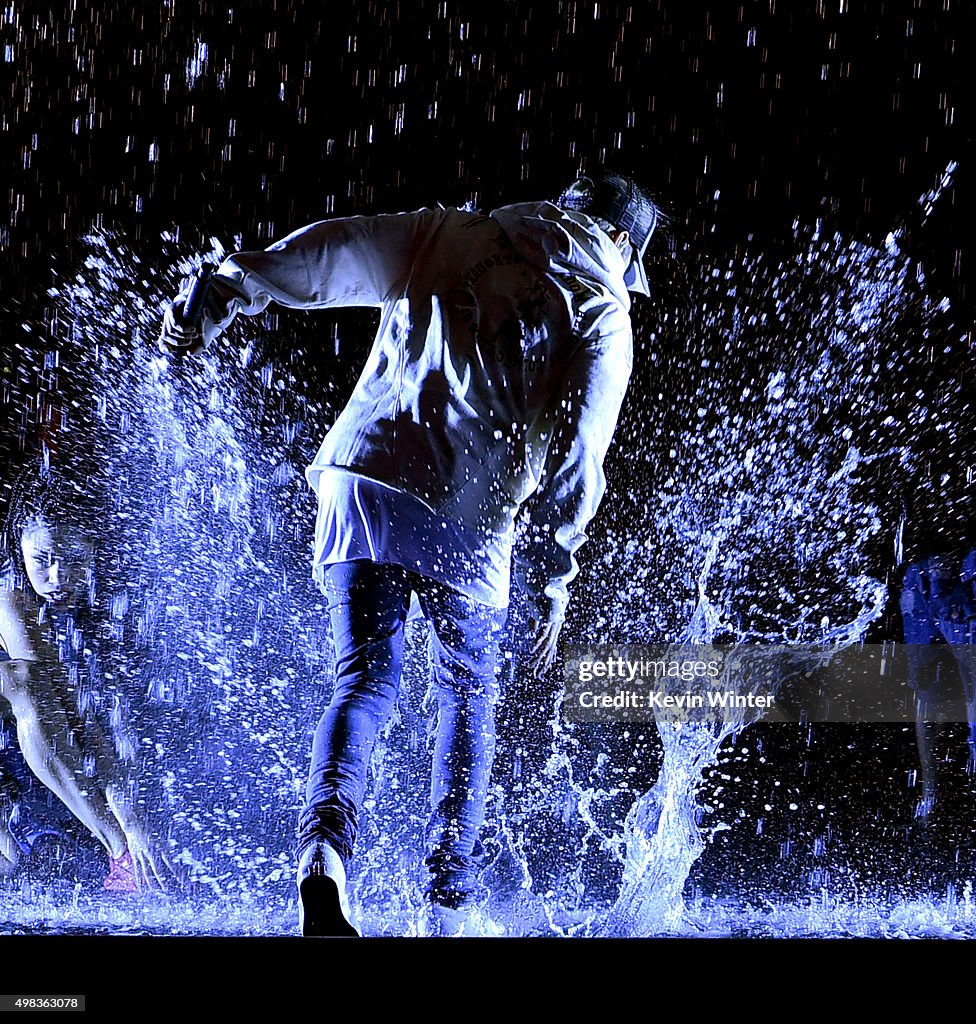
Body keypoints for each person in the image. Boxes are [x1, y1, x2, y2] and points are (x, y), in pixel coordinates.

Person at [159, 169, 660, 936]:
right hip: (470, 516)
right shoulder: (603, 308)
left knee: (363, 679)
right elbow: (578, 460)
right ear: (621, 242)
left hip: (363, 476)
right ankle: (446, 903)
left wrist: (232, 285)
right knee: (467, 691)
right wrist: (553, 581)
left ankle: (324, 854)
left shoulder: (453, 230)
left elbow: (339, 251)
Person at [0, 465, 175, 890]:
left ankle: (107, 847)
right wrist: (127, 833)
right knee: (25, 679)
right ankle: (120, 857)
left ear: (94, 551)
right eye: (41, 560)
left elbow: (96, 715)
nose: (57, 578)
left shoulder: (106, 601)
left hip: (33, 756)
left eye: (74, 561)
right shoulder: (10, 596)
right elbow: (63, 701)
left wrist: (139, 817)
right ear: (17, 547)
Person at [900, 547, 976, 818]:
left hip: (967, 567)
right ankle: (932, 799)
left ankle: (936, 801)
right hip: (927, 571)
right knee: (930, 687)